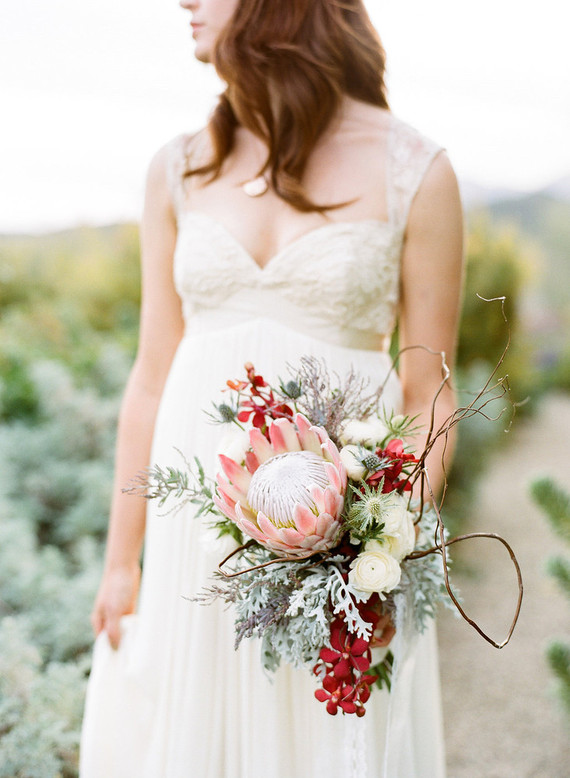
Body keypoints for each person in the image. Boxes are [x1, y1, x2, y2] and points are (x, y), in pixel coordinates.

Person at [80, 0, 463, 775]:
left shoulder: (415, 170)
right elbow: (153, 373)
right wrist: (124, 561)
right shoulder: (179, 167)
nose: (182, 2)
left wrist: (382, 537)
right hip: (197, 544)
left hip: (339, 545)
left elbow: (430, 390)